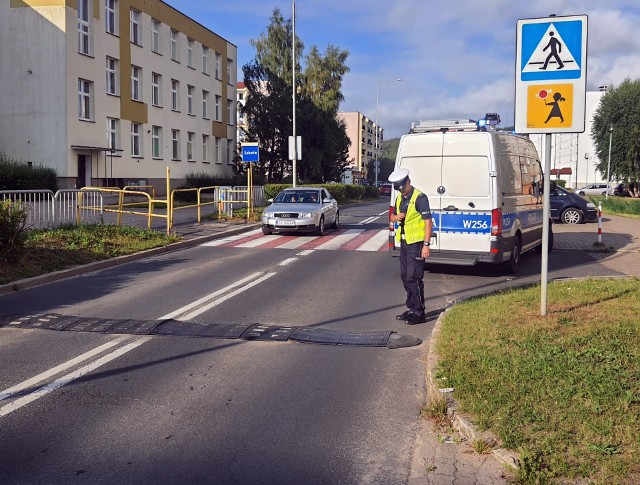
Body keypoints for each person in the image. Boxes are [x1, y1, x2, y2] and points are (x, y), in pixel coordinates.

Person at [389, 168, 433, 325]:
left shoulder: (420, 198)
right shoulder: (400, 198)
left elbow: (428, 222)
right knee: (404, 276)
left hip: (417, 243)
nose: (401, 190)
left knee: (413, 278)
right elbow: (392, 216)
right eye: (398, 188)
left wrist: (426, 245)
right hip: (405, 243)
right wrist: (395, 217)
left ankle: (419, 312)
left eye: (402, 186)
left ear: (408, 181)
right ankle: (412, 308)